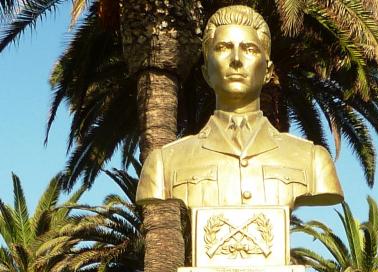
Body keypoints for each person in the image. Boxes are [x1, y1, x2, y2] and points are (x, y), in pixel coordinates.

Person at [136, 5, 343, 209]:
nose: (236, 59)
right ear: (206, 72)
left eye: (250, 49)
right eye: (223, 48)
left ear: (268, 72)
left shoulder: (312, 160)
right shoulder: (164, 163)